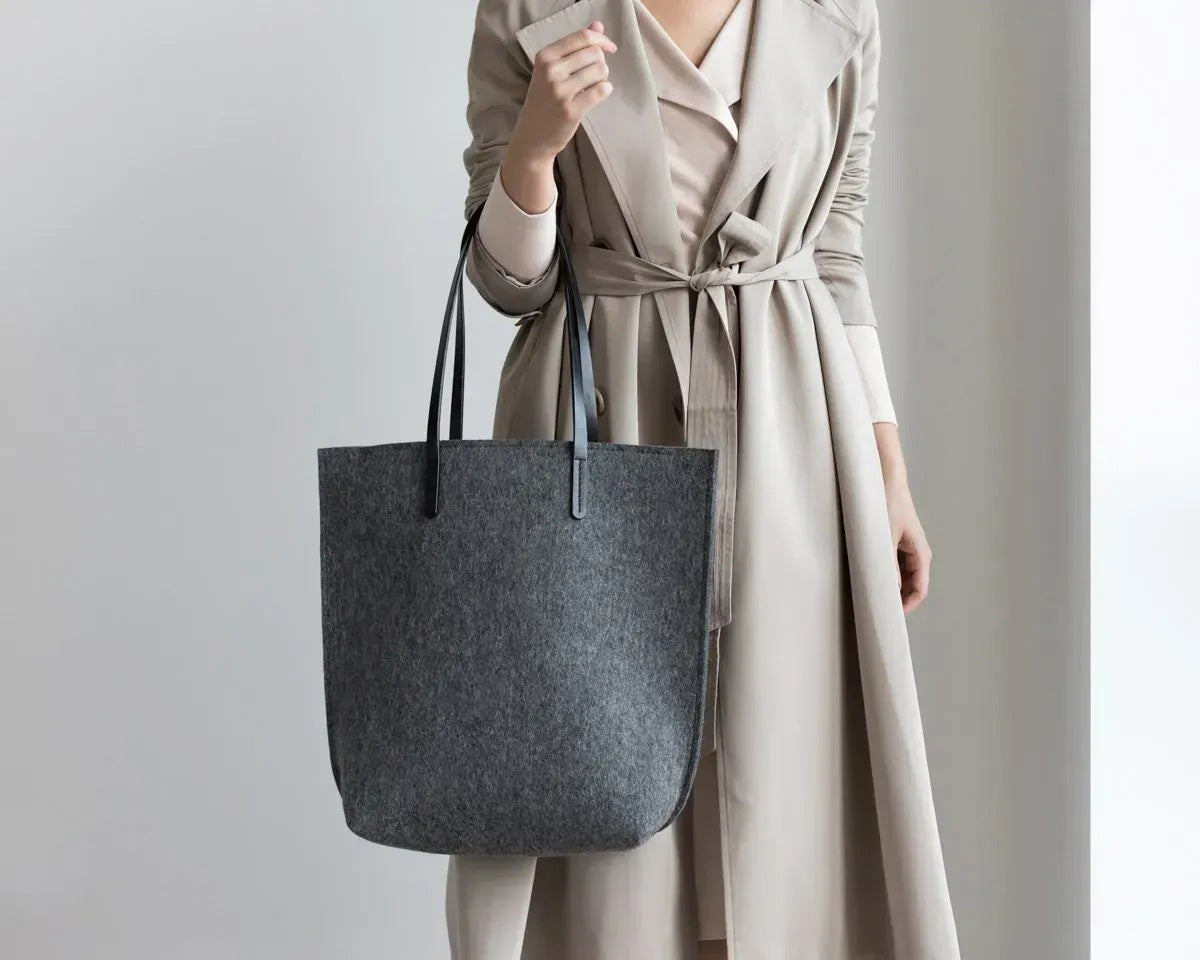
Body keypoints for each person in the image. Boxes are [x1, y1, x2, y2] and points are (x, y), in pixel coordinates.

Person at [447, 1, 961, 957]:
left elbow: (836, 245)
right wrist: (532, 153)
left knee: (786, 780)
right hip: (594, 439)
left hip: (794, 437)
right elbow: (509, 285)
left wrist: (888, 472)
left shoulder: (838, 10)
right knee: (594, 787)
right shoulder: (530, 6)